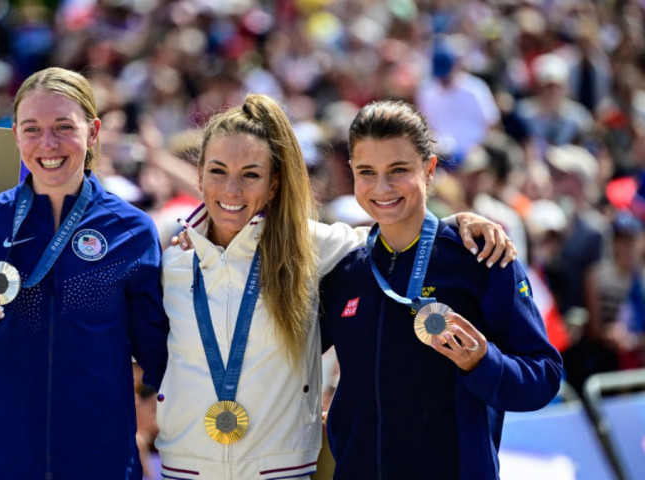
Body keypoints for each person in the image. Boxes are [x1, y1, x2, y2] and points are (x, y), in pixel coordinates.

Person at [158, 93, 516, 479]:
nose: (232, 190)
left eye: (251, 174)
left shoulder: (314, 246)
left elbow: (397, 232)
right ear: (198, 175)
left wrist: (456, 224)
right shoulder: (170, 258)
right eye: (217, 171)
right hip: (187, 469)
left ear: (274, 183)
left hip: (283, 470)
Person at [0, 67, 167, 479]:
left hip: (98, 465)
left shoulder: (131, 230)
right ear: (15, 136)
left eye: (63, 127)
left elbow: (160, 359)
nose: (47, 144)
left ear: (94, 131)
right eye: (32, 129)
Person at [318, 99, 563, 479]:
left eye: (399, 170)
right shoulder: (344, 268)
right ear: (351, 172)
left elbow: (543, 377)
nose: (381, 187)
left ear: (429, 170)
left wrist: (483, 364)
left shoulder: (481, 257)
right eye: (367, 171)